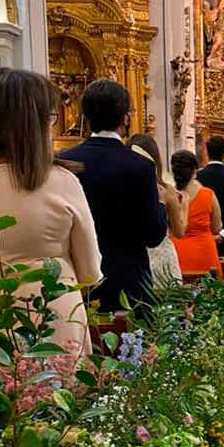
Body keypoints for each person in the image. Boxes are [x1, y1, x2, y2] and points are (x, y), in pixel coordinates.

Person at [0, 67, 102, 353]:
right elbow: (90, 272)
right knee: (52, 395)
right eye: (49, 118)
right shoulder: (60, 182)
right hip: (48, 323)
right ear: (32, 124)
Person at [59, 80, 168, 312]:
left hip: (79, 281)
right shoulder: (140, 167)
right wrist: (160, 205)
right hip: (129, 281)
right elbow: (153, 235)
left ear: (86, 117)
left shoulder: (65, 162)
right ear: (125, 118)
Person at [127, 134, 188, 287]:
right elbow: (179, 231)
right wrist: (185, 207)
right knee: (169, 308)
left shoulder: (122, 187)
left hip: (133, 258)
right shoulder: (166, 190)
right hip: (163, 259)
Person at [170, 150, 223, 278]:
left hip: (178, 255)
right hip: (204, 254)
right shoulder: (208, 194)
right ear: (195, 170)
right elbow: (216, 228)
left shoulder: (169, 196)